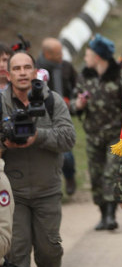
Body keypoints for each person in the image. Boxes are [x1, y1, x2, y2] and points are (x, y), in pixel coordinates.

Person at [2, 50, 76, 267]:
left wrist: (38, 136)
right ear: (8, 74)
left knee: (49, 251)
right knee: (17, 253)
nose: (22, 72)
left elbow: (69, 138)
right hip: (13, 195)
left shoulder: (51, 101)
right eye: (16, 68)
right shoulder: (1, 104)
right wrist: (4, 143)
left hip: (47, 191)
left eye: (27, 67)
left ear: (35, 72)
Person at [70, 35, 122, 231]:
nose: (86, 57)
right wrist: (78, 104)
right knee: (96, 177)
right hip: (92, 136)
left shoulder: (120, 77)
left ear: (98, 56)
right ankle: (102, 212)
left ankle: (111, 215)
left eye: (88, 54)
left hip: (115, 136)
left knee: (110, 174)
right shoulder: (84, 77)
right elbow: (73, 104)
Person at [36, 38, 79, 196]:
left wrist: (71, 99)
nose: (61, 56)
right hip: (42, 117)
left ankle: (70, 177)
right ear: (47, 54)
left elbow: (77, 86)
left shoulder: (66, 67)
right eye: (57, 53)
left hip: (62, 115)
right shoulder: (35, 69)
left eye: (61, 52)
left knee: (67, 154)